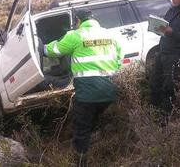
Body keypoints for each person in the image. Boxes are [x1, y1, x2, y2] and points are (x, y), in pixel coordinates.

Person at [44, 9, 122, 166]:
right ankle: (104, 151)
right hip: (110, 90)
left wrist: (41, 45)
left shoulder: (75, 35)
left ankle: (80, 162)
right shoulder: (110, 34)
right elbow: (120, 59)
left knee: (81, 130)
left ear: (78, 20)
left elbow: (54, 51)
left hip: (87, 93)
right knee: (95, 120)